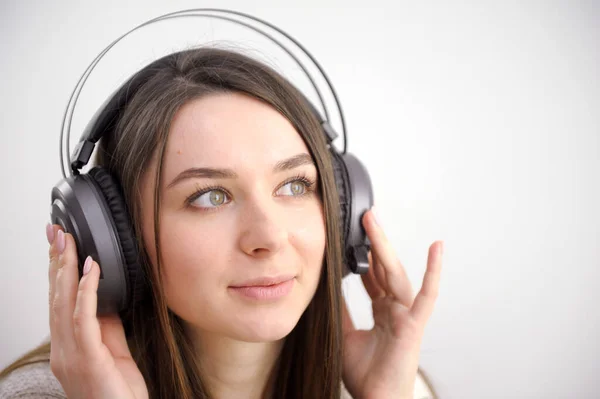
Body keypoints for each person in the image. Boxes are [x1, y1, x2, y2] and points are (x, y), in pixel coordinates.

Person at [0, 47, 443, 399]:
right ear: (118, 241)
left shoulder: (394, 387)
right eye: (210, 197)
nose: (268, 238)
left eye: (293, 186)